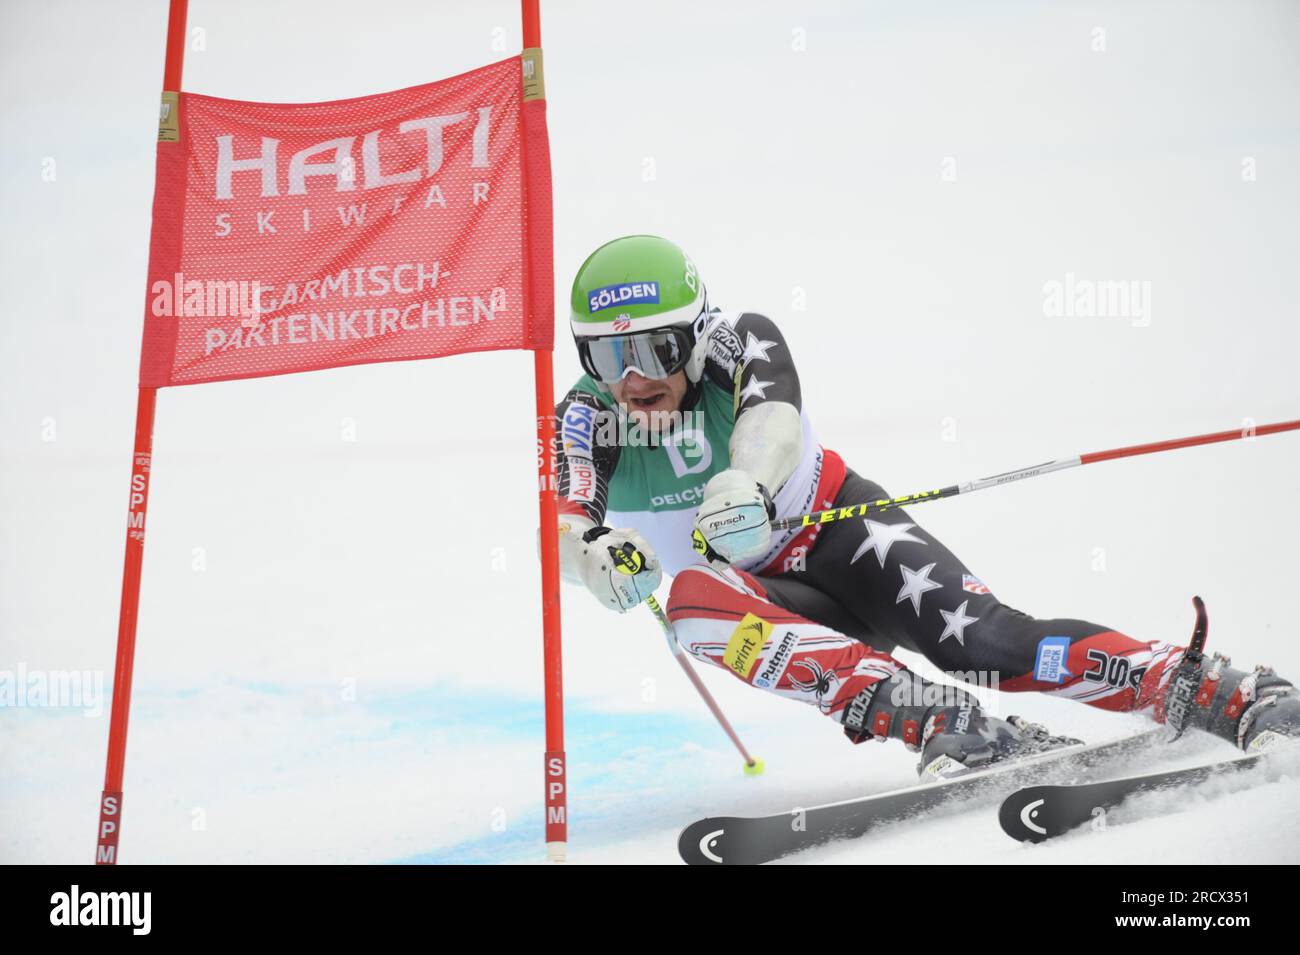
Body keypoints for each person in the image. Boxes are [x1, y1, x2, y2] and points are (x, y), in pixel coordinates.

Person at [551, 235, 1299, 778]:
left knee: (988, 645)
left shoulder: (737, 338)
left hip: (844, 535)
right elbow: (562, 523)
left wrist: (748, 480)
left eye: (653, 353)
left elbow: (772, 416)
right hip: (767, 601)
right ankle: (936, 715)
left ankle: (1205, 686)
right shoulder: (587, 415)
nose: (631, 382)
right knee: (692, 607)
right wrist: (592, 559)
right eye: (608, 358)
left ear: (693, 334)